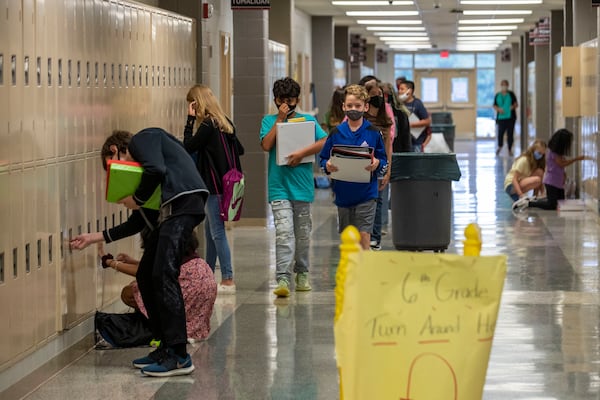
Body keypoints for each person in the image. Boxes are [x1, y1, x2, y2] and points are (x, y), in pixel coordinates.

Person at [99, 128, 207, 377]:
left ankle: (179, 355)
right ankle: (164, 346)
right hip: (174, 207)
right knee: (147, 274)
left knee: (163, 274)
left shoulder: (142, 139)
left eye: (114, 168)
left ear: (116, 151)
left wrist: (136, 198)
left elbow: (156, 169)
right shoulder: (147, 149)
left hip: (183, 203)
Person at [260, 77, 328, 298]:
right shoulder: (269, 121)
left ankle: (302, 271)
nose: (286, 105)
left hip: (302, 187)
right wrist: (280, 120)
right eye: (282, 101)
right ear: (275, 100)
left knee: (302, 234)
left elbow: (324, 141)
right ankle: (282, 277)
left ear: (297, 100)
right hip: (279, 187)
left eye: (290, 101)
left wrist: (302, 153)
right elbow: (266, 145)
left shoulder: (307, 120)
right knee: (283, 233)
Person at [96, 231, 217, 346]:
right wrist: (131, 261)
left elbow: (143, 273)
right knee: (146, 286)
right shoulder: (179, 236)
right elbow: (158, 266)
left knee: (130, 291)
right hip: (201, 296)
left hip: (190, 294)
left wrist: (110, 262)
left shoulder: (163, 242)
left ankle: (158, 323)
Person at [183, 84, 244, 294]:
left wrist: (190, 120)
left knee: (217, 232)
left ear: (197, 103)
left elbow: (187, 147)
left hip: (213, 185)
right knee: (210, 232)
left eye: (192, 104)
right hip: (226, 184)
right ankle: (208, 275)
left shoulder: (208, 125)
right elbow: (240, 149)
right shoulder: (226, 122)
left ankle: (228, 278)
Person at [319, 84, 388, 250]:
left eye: (358, 106)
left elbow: (383, 160)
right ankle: (350, 271)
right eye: (349, 106)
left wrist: (377, 164)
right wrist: (327, 165)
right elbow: (322, 160)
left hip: (367, 192)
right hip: (343, 194)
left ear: (365, 107)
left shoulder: (373, 132)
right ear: (343, 107)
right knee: (348, 238)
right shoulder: (336, 133)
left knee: (364, 236)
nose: (353, 109)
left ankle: (363, 273)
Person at [363, 81, 393, 251]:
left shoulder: (386, 120)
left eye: (380, 95)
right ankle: (364, 235)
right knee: (363, 202)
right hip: (362, 166)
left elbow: (388, 147)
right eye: (375, 96)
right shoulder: (361, 120)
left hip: (380, 165)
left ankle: (375, 237)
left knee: (378, 201)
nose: (378, 99)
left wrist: (388, 170)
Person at [528, 129, 589, 210]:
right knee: (551, 205)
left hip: (558, 182)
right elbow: (562, 164)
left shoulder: (557, 152)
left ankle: (536, 201)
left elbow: (561, 165)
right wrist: (576, 159)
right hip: (552, 182)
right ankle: (530, 203)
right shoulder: (553, 152)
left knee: (560, 203)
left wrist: (564, 175)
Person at [504, 139, 546, 211]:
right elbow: (514, 179)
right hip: (511, 185)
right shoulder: (524, 160)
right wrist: (521, 195)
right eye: (539, 153)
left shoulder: (535, 162)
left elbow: (540, 178)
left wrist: (543, 193)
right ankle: (518, 196)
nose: (540, 156)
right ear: (533, 150)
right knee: (537, 180)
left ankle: (535, 197)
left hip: (521, 182)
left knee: (540, 172)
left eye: (542, 154)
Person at [398, 80, 431, 152]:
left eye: (402, 89)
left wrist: (409, 125)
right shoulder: (399, 104)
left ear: (409, 91)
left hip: (416, 142)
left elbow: (427, 121)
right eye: (399, 89)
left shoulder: (417, 103)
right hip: (403, 142)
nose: (399, 91)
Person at [493, 80, 518, 156]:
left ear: (508, 85)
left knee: (510, 134)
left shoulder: (511, 94)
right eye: (503, 85)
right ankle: (500, 146)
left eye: (505, 85)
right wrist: (498, 109)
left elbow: (516, 104)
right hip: (501, 118)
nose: (504, 86)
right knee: (500, 133)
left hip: (510, 118)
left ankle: (510, 149)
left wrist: (512, 107)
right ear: (501, 85)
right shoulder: (498, 95)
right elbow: (494, 105)